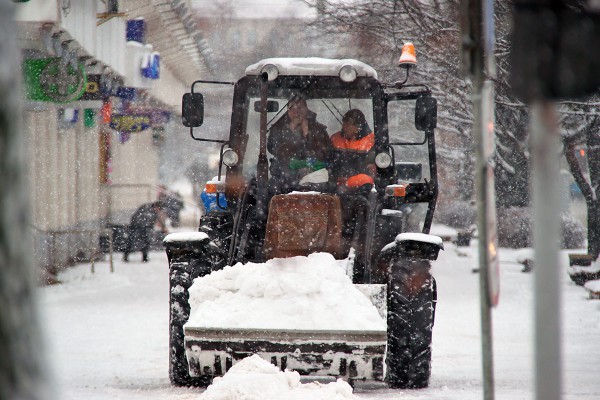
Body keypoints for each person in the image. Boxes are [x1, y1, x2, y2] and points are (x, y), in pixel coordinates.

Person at [267, 96, 331, 192]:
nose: (296, 112)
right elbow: (275, 150)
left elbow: (323, 153)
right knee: (272, 187)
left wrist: (307, 134)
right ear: (288, 111)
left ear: (306, 109)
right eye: (292, 109)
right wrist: (291, 131)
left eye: (300, 108)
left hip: (313, 174)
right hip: (283, 175)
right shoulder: (277, 129)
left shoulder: (319, 129)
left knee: (326, 187)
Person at [329, 108, 376, 190]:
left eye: (348, 125)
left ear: (358, 127)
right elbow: (330, 162)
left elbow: (370, 168)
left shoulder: (371, 141)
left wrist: (349, 180)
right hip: (337, 183)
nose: (344, 127)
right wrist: (337, 176)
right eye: (344, 124)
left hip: (361, 185)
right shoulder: (335, 139)